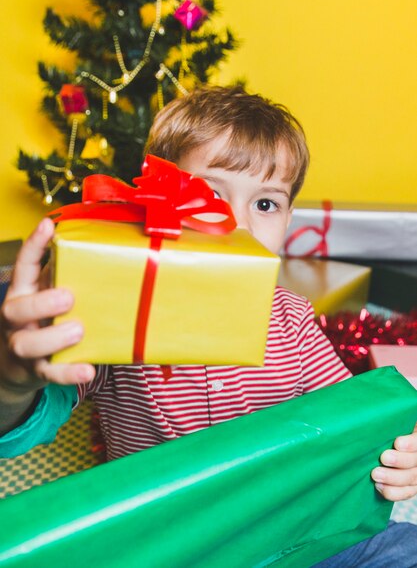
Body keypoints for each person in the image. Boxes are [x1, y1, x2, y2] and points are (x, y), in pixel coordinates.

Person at [1, 86, 416, 566]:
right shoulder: (121, 310)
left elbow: (351, 423)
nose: (237, 223)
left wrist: (396, 457)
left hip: (287, 529)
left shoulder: (293, 319)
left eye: (266, 204)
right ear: (153, 200)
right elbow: (21, 427)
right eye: (211, 193)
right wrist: (14, 379)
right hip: (171, 543)